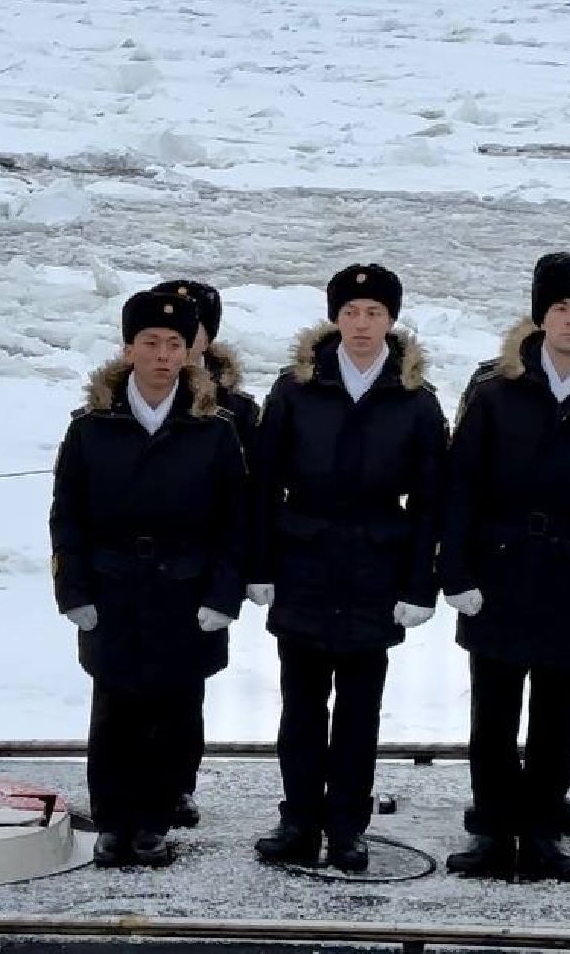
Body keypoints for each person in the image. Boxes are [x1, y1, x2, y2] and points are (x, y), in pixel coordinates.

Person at [439, 255, 570, 883]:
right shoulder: (494, 391)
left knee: (560, 717)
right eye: (560, 307)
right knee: (494, 716)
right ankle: (492, 831)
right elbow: (462, 488)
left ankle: (540, 835)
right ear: (540, 315)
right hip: (500, 575)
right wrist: (457, 573)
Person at [247, 265, 447, 872]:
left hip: (374, 570)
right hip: (305, 562)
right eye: (353, 312)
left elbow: (433, 501)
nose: (362, 325)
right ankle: (299, 819)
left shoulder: (415, 401)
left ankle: (348, 827)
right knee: (301, 710)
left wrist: (419, 583)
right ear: (335, 318)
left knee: (359, 713)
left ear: (392, 321)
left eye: (375, 313)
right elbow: (261, 485)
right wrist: (260, 566)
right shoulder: (294, 391)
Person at [50, 290, 247, 868]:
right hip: (113, 589)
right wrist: (75, 591)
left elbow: (235, 522)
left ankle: (155, 821)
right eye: (151, 343)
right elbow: (67, 516)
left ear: (189, 353)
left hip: (185, 590)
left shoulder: (213, 431)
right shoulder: (91, 429)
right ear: (129, 348)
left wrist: (222, 595)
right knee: (115, 709)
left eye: (175, 345)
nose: (163, 355)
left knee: (173, 707)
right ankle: (114, 821)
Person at [150, 279, 260, 828]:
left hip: (202, 567)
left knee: (184, 681)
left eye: (187, 331)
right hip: (137, 568)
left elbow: (252, 498)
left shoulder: (235, 410)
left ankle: (176, 782)